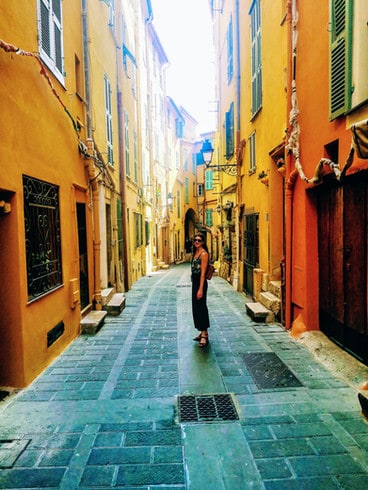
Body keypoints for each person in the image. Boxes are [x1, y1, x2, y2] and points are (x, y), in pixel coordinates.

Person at [191, 232, 210, 347]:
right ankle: (203, 331)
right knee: (196, 307)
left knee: (201, 307)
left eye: (199, 240)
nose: (196, 242)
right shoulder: (196, 253)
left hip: (200, 282)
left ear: (203, 242)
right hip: (195, 282)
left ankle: (204, 334)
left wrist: (200, 289)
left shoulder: (203, 254)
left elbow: (203, 273)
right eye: (195, 240)